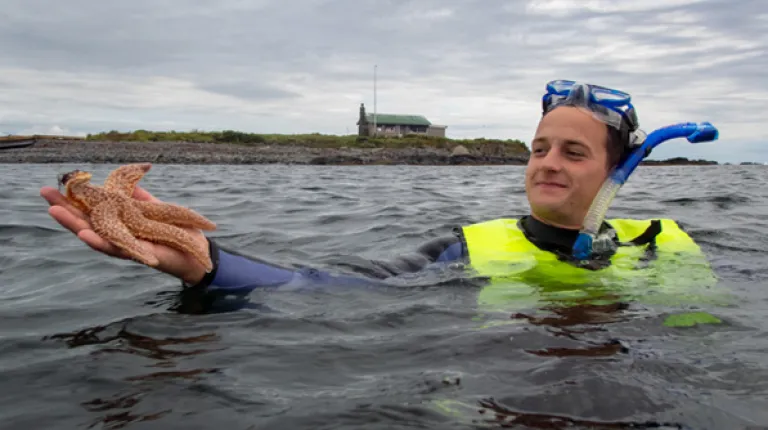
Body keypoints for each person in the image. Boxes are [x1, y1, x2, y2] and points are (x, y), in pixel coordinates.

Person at [40, 80, 720, 316]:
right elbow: (336, 286)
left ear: (618, 169)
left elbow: (706, 346)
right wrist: (207, 262)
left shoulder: (663, 244)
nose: (546, 163)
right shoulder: (468, 245)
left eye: (573, 152)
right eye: (539, 147)